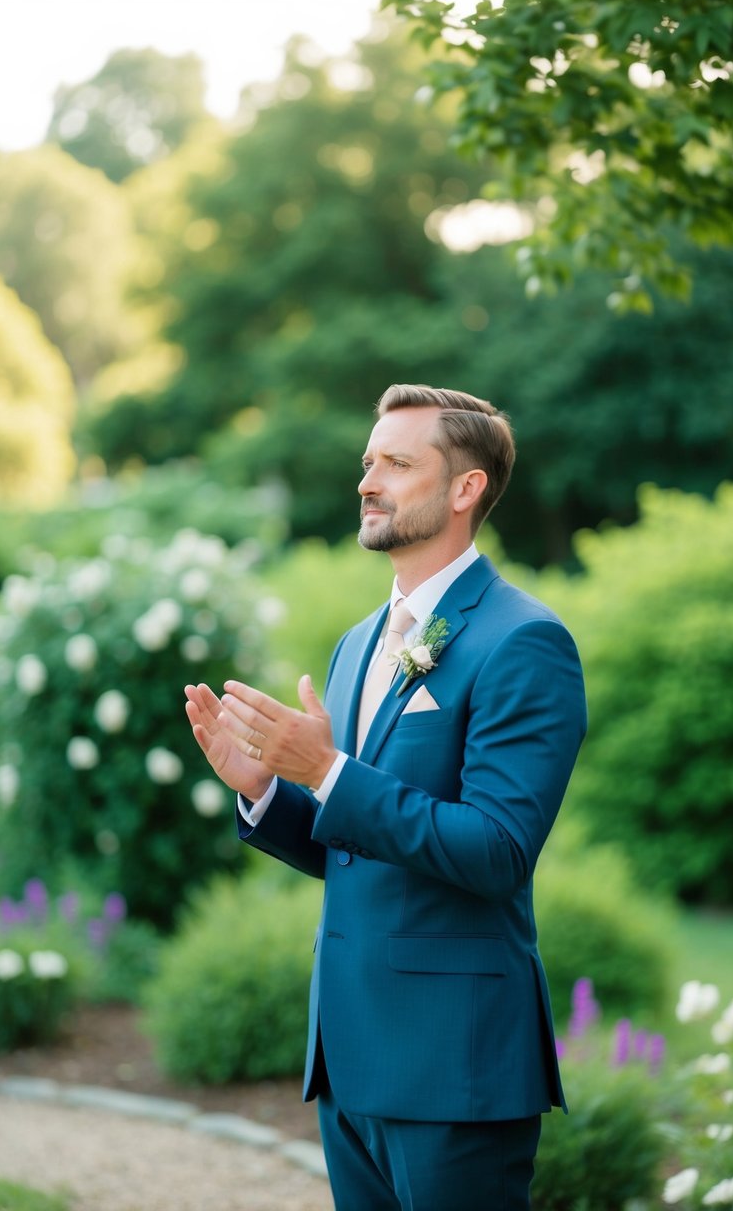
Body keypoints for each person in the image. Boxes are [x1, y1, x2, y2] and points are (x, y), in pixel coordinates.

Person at [184, 383, 587, 1211]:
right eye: (368, 462)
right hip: (349, 1057)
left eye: (396, 463)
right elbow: (361, 848)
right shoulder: (356, 643)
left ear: (465, 488)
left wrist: (326, 772)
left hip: (455, 1066)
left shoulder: (524, 641)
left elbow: (496, 852)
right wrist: (268, 790)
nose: (367, 481)